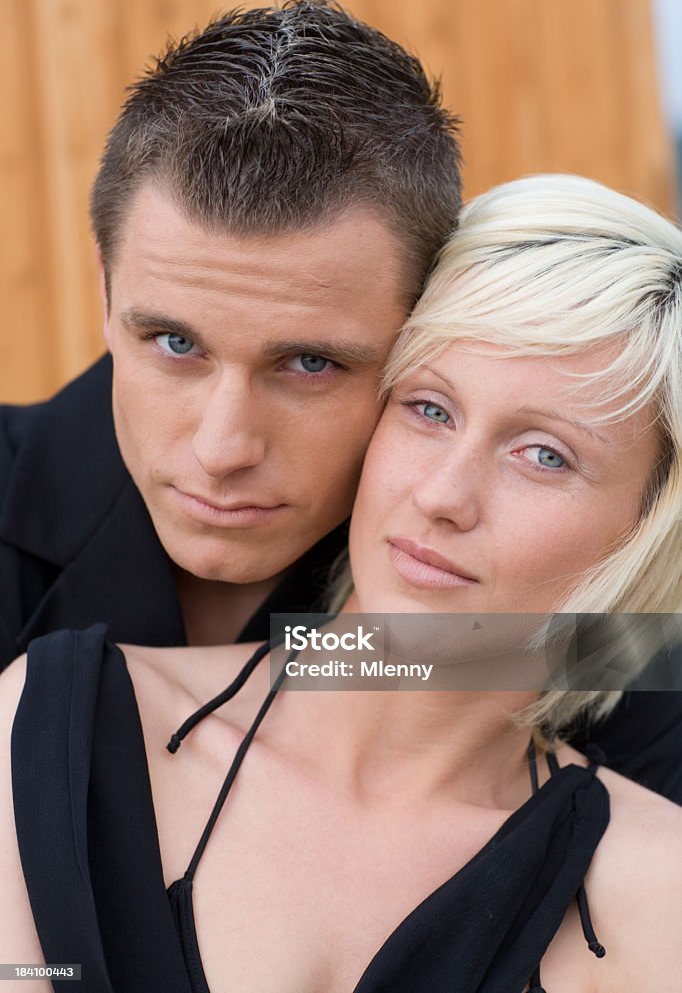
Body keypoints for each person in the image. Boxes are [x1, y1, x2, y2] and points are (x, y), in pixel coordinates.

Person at [2, 174, 681, 992]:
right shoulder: (58, 715)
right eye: (430, 409)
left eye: (543, 455)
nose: (441, 497)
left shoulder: (656, 893)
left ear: (650, 526)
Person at [0, 0, 462, 662]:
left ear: (422, 329)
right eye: (176, 343)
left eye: (310, 363)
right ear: (106, 290)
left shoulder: (513, 574)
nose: (222, 451)